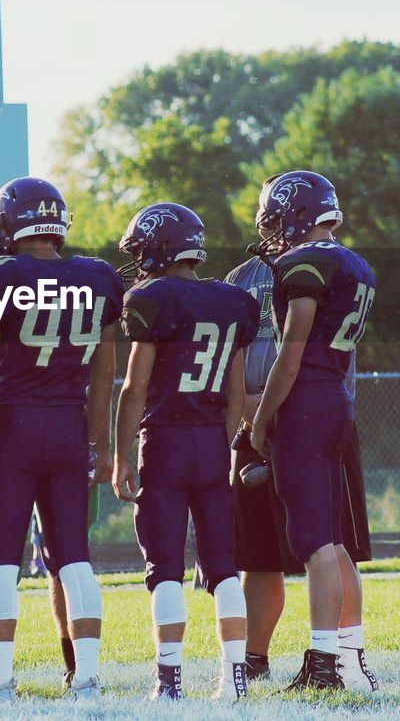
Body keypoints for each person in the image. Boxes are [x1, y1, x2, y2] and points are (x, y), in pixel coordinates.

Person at [0, 177, 123, 703]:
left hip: (15, 426)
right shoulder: (98, 277)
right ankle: (87, 681)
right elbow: (103, 374)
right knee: (73, 556)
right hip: (69, 427)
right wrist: (96, 442)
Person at [113, 203, 259, 700]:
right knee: (222, 565)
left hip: (166, 441)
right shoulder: (235, 301)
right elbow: (237, 395)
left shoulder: (152, 298)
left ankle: (169, 681)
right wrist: (219, 443)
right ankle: (234, 677)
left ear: (157, 247)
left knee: (165, 566)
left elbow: (134, 389)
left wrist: (121, 454)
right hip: (212, 440)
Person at [0, 275, 101, 694]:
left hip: (7, 426)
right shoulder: (65, 283)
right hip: (39, 425)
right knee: (10, 560)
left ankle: (39, 670)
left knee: (22, 559)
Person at [247, 171, 378, 691]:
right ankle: (350, 659)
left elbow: (290, 354)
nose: (273, 231)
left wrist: (260, 421)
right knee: (334, 542)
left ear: (294, 214)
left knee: (314, 541)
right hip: (336, 401)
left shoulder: (304, 263)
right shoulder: (354, 262)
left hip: (306, 404)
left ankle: (325, 665)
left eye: (277, 218)